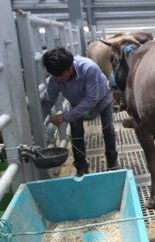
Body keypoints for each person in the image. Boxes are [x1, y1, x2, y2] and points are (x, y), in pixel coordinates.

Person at [41, 48, 118, 177]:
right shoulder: (56, 77)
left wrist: (65, 116)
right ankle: (81, 166)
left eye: (61, 75)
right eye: (56, 76)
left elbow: (91, 99)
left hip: (101, 99)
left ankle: (112, 163)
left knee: (108, 128)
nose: (59, 79)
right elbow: (49, 101)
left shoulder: (88, 68)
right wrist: (38, 122)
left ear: (69, 67)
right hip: (77, 103)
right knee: (76, 133)